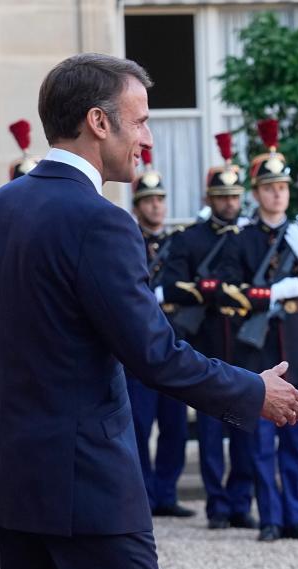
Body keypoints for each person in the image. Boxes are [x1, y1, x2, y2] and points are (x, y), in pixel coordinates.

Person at [0, 54, 298, 569]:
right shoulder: (102, 222)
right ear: (99, 122)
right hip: (85, 481)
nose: (147, 138)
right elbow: (156, 354)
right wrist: (252, 391)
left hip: (7, 472)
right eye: (139, 120)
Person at [217, 119, 298, 543]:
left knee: (296, 442)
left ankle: (295, 517)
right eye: (269, 187)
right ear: (257, 193)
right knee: (261, 443)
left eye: (282, 186)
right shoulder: (240, 239)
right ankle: (268, 517)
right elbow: (229, 294)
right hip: (258, 350)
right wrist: (271, 294)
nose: (277, 193)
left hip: (297, 348)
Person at [160, 132, 257, 530]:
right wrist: (203, 289)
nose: (230, 204)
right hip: (208, 342)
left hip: (249, 343)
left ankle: (241, 502)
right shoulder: (190, 239)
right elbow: (171, 284)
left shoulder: (253, 237)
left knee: (247, 426)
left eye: (235, 197)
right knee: (213, 431)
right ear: (209, 199)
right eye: (222, 197)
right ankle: (217, 505)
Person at [126, 148, 193, 519]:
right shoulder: (127, 238)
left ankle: (166, 493)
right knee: (138, 427)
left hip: (174, 342)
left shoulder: (178, 243)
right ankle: (144, 496)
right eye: (148, 200)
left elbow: (189, 285)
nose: (156, 207)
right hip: (139, 350)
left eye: (160, 200)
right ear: (137, 205)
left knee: (175, 428)